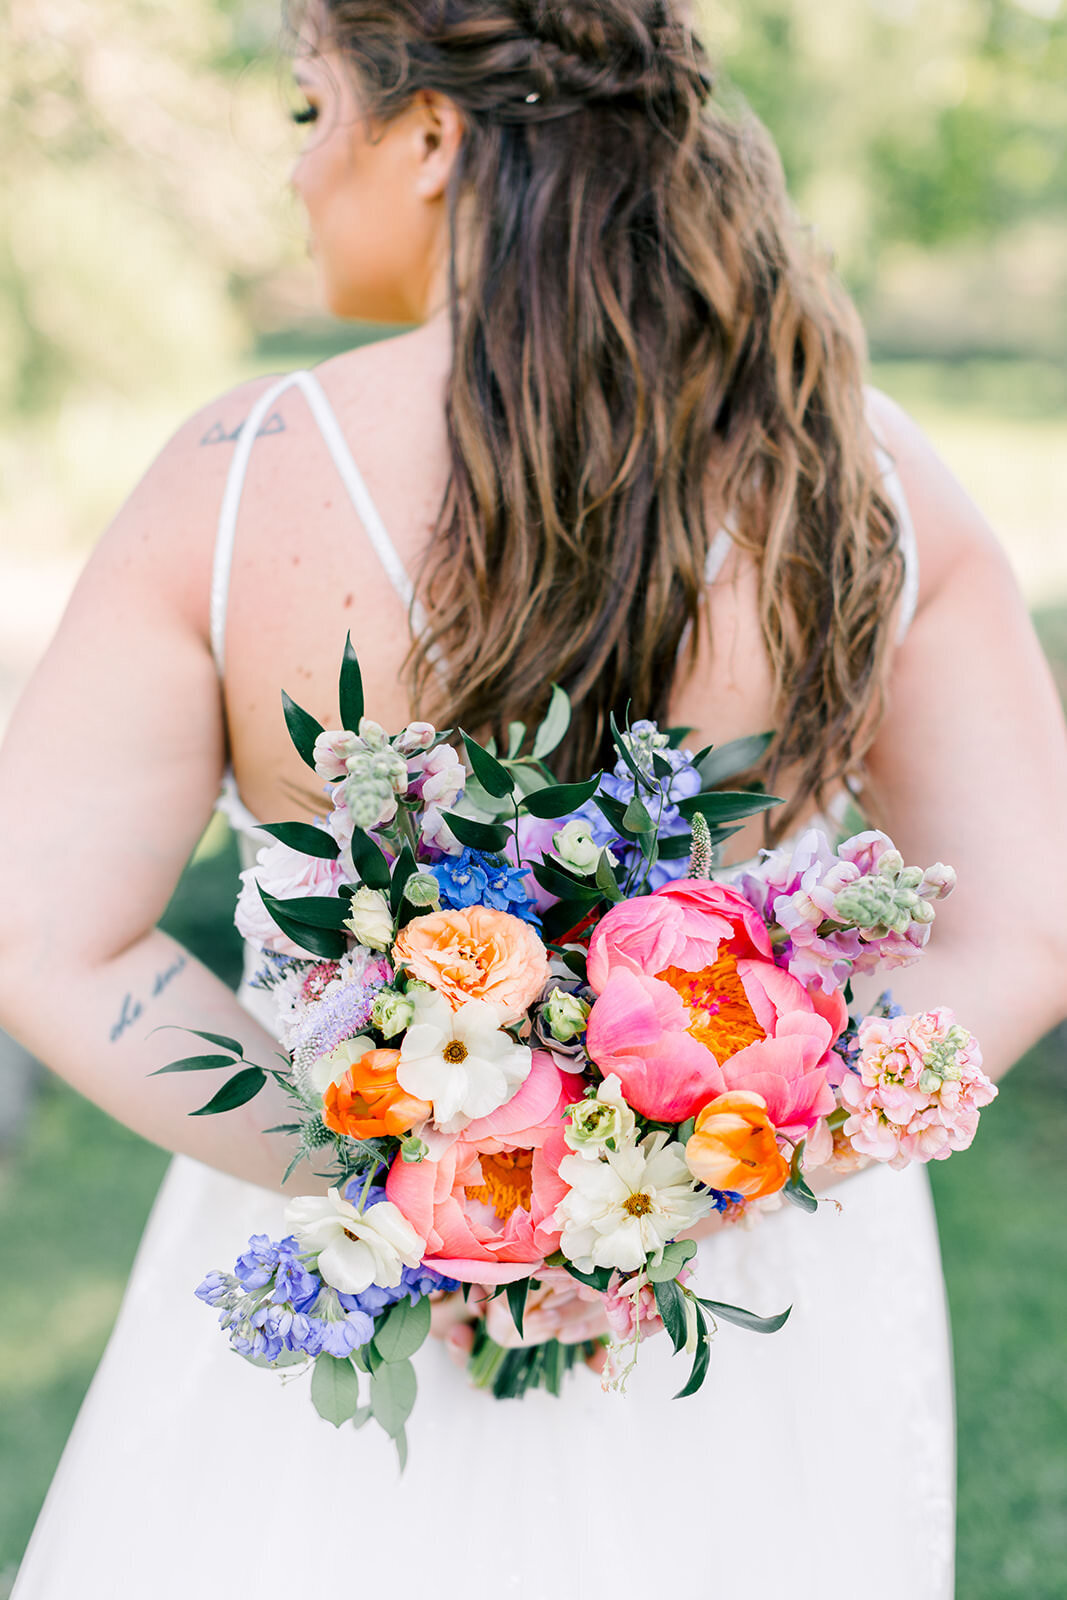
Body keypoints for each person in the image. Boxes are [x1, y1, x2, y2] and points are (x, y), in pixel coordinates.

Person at [2, 1, 1066, 1595]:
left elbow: (49, 941)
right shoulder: (866, 468)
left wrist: (406, 1183)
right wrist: (696, 1182)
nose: (300, 175)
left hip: (339, 1293)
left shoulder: (238, 475)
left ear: (429, 137)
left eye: (312, 112)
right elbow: (1025, 933)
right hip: (743, 1309)